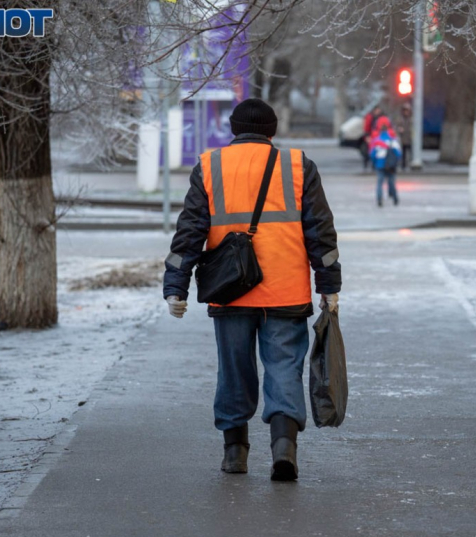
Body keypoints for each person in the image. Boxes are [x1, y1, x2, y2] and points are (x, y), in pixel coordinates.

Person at [163, 98, 342, 482]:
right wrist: (329, 285)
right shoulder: (297, 166)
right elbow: (321, 232)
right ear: (272, 130)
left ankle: (235, 454)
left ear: (233, 129)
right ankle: (284, 450)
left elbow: (189, 232)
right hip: (286, 290)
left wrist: (175, 284)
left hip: (230, 290)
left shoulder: (210, 166)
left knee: (234, 371)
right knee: (283, 369)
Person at [369, 116, 402, 207]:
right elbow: (398, 154)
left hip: (380, 165)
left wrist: (375, 163)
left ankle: (379, 199)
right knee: (391, 183)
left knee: (379, 183)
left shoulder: (376, 140)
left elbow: (372, 154)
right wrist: (396, 162)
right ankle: (395, 198)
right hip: (391, 166)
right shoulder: (393, 140)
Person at [361, 105, 384, 171]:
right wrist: (367, 136)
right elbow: (367, 128)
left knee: (375, 152)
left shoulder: (378, 117)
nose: (378, 112)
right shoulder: (370, 117)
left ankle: (373, 165)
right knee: (368, 152)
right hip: (371, 136)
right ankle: (366, 165)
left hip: (376, 136)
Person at [397, 103, 413, 171]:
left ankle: (410, 164)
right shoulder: (401, 119)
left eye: (407, 111)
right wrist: (399, 129)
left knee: (410, 152)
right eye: (405, 111)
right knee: (403, 152)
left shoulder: (411, 119)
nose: (406, 112)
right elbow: (397, 126)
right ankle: (403, 165)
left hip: (410, 138)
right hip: (403, 138)